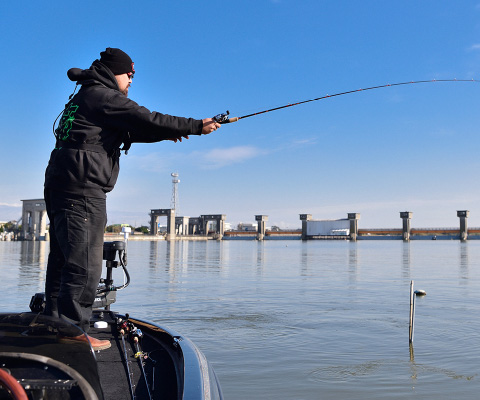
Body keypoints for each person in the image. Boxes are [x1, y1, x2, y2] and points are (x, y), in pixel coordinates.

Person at [44, 47, 221, 350]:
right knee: (85, 263)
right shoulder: (105, 95)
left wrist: (164, 133)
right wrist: (195, 125)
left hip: (61, 184)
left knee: (63, 258)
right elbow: (144, 117)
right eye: (129, 74)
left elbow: (129, 129)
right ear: (115, 72)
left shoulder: (85, 96)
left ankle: (54, 321)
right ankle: (73, 331)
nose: (131, 80)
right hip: (84, 188)